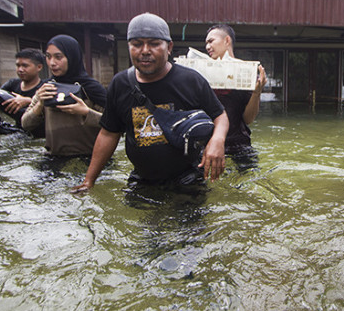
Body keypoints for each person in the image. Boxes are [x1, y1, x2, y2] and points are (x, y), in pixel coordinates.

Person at [72, 13, 229, 192]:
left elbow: (220, 115)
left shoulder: (191, 81)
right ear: (129, 46)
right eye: (137, 44)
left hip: (188, 177)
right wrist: (89, 180)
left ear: (169, 47)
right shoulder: (120, 84)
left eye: (154, 44)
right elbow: (109, 133)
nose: (145, 50)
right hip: (142, 179)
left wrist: (217, 141)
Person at [21, 35, 107, 157]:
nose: (52, 63)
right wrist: (39, 104)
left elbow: (116, 124)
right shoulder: (46, 89)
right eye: (48, 57)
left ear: (71, 57)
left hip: (89, 158)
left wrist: (86, 112)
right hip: (53, 158)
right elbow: (26, 124)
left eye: (58, 57)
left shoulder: (91, 88)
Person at [204, 24, 266, 170]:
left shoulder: (245, 73)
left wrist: (257, 93)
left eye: (211, 41)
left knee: (252, 179)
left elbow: (248, 119)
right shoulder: (201, 73)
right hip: (209, 141)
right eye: (206, 42)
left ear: (227, 40)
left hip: (239, 143)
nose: (207, 46)